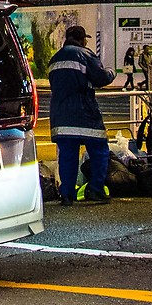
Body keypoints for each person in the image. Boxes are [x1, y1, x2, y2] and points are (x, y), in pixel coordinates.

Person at [47, 25, 116, 204]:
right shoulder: (85, 55)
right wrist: (111, 72)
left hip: (61, 116)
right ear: (81, 39)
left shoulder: (54, 59)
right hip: (85, 114)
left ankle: (67, 194)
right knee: (100, 151)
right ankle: (95, 190)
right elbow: (101, 78)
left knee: (68, 155)